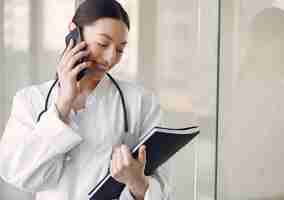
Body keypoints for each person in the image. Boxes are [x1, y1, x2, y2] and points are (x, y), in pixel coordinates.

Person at [0, 0, 172, 199]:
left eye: (120, 49)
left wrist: (136, 182)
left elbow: (164, 192)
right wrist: (63, 104)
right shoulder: (31, 100)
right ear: (74, 32)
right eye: (103, 44)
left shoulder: (141, 103)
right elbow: (14, 173)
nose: (110, 58)